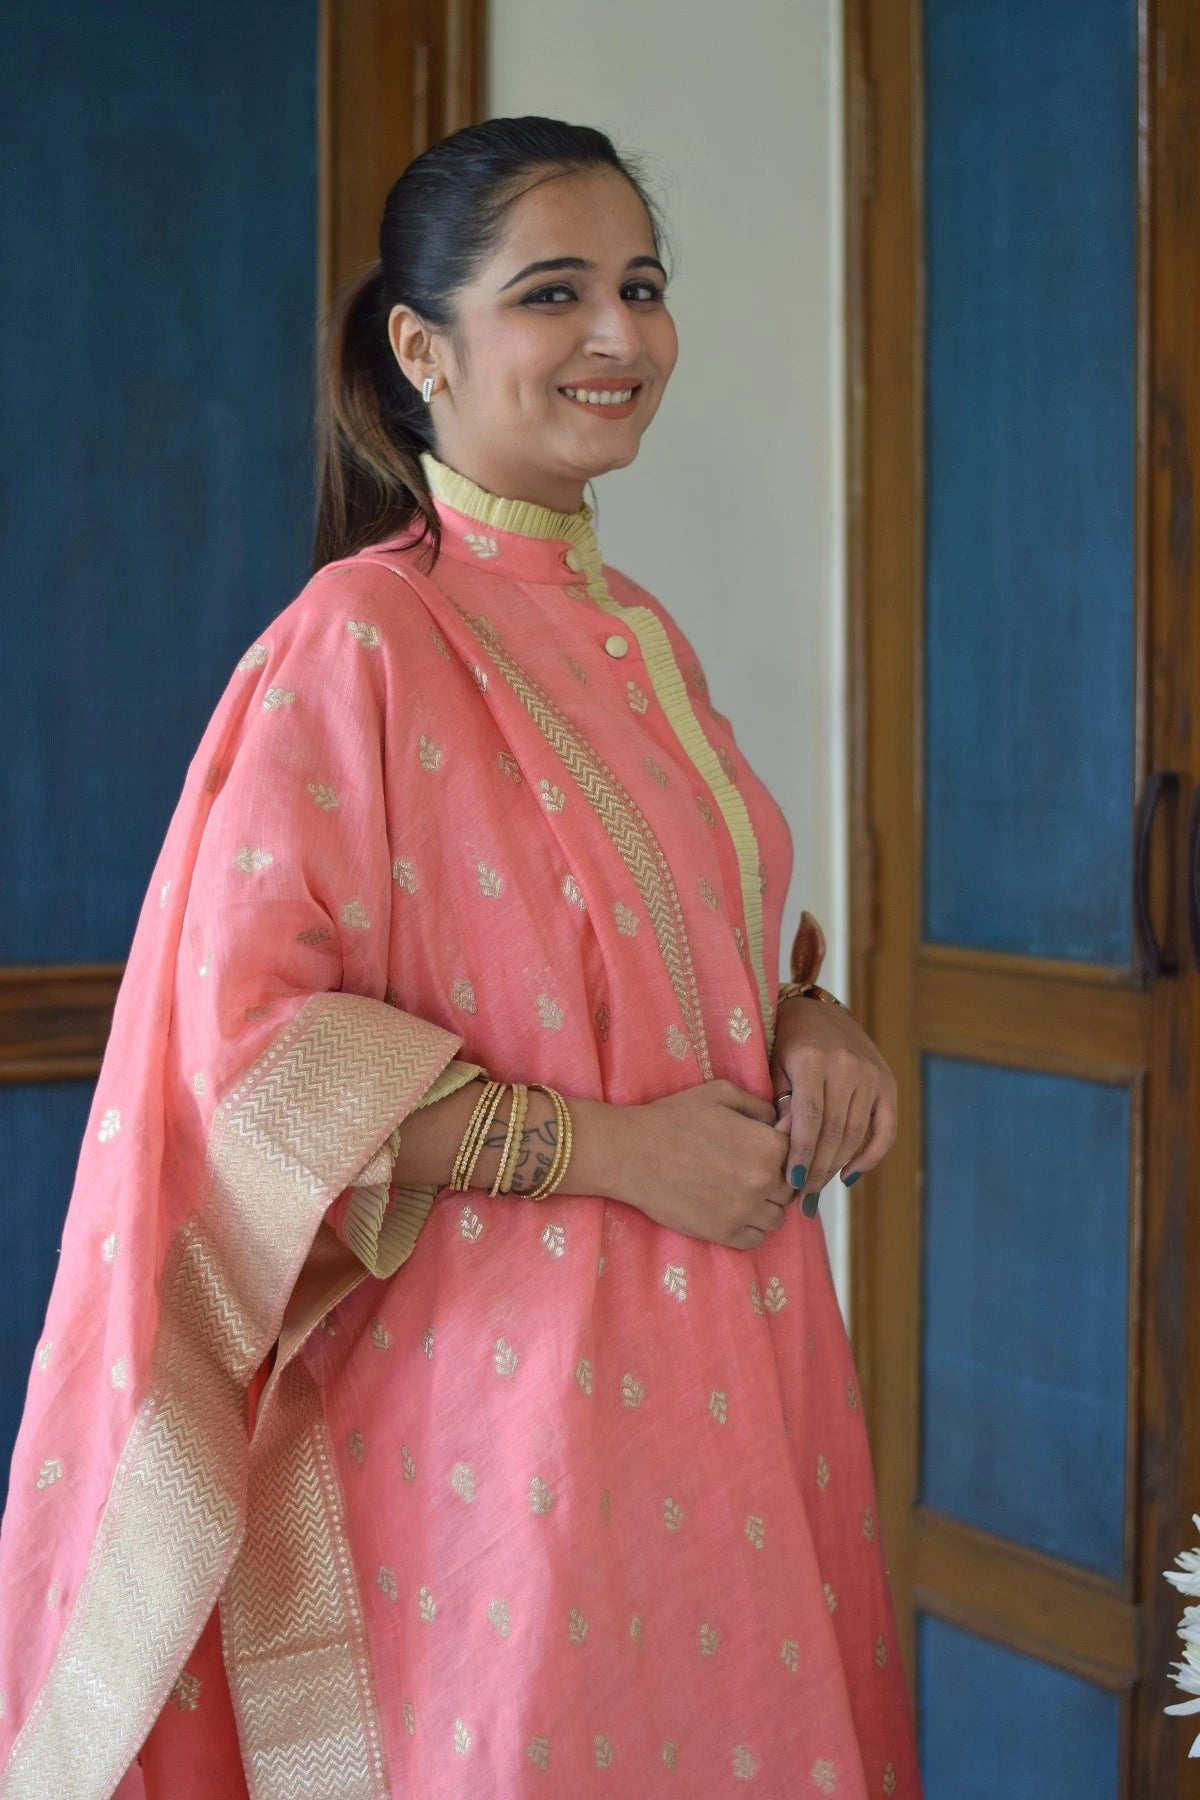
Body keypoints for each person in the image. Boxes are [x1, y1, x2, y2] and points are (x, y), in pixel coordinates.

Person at [0, 116, 922, 1798]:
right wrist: (617, 1150)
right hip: (504, 1416)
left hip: (728, 1353)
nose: (620, 337)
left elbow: (685, 950)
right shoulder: (357, 641)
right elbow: (256, 1071)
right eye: (553, 293)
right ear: (420, 347)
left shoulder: (638, 635)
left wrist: (811, 1018)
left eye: (640, 287)